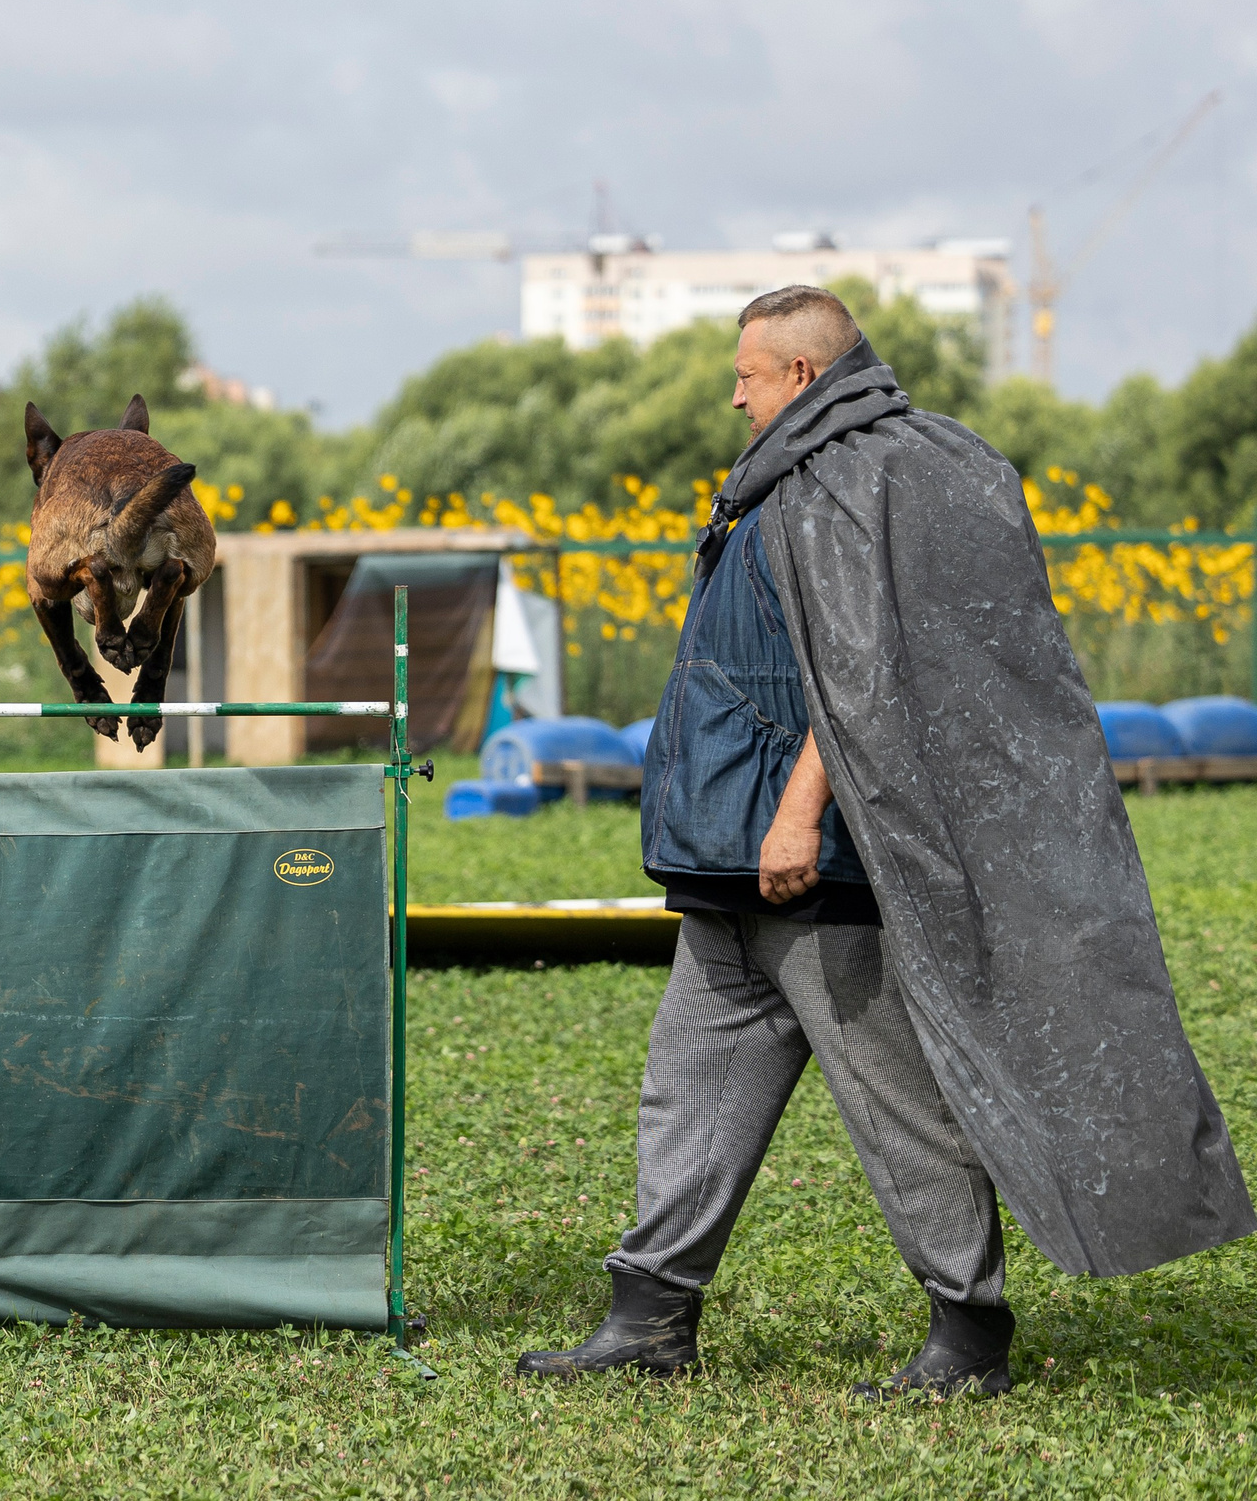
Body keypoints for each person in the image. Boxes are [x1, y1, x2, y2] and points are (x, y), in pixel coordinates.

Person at [517, 285, 1253, 1398]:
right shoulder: (783, 480)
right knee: (688, 1090)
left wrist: (800, 809)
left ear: (803, 377)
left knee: (898, 1111)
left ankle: (969, 1337)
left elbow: (876, 672)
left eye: (747, 376)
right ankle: (648, 1317)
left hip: (822, 867)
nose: (732, 395)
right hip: (729, 861)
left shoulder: (878, 474)